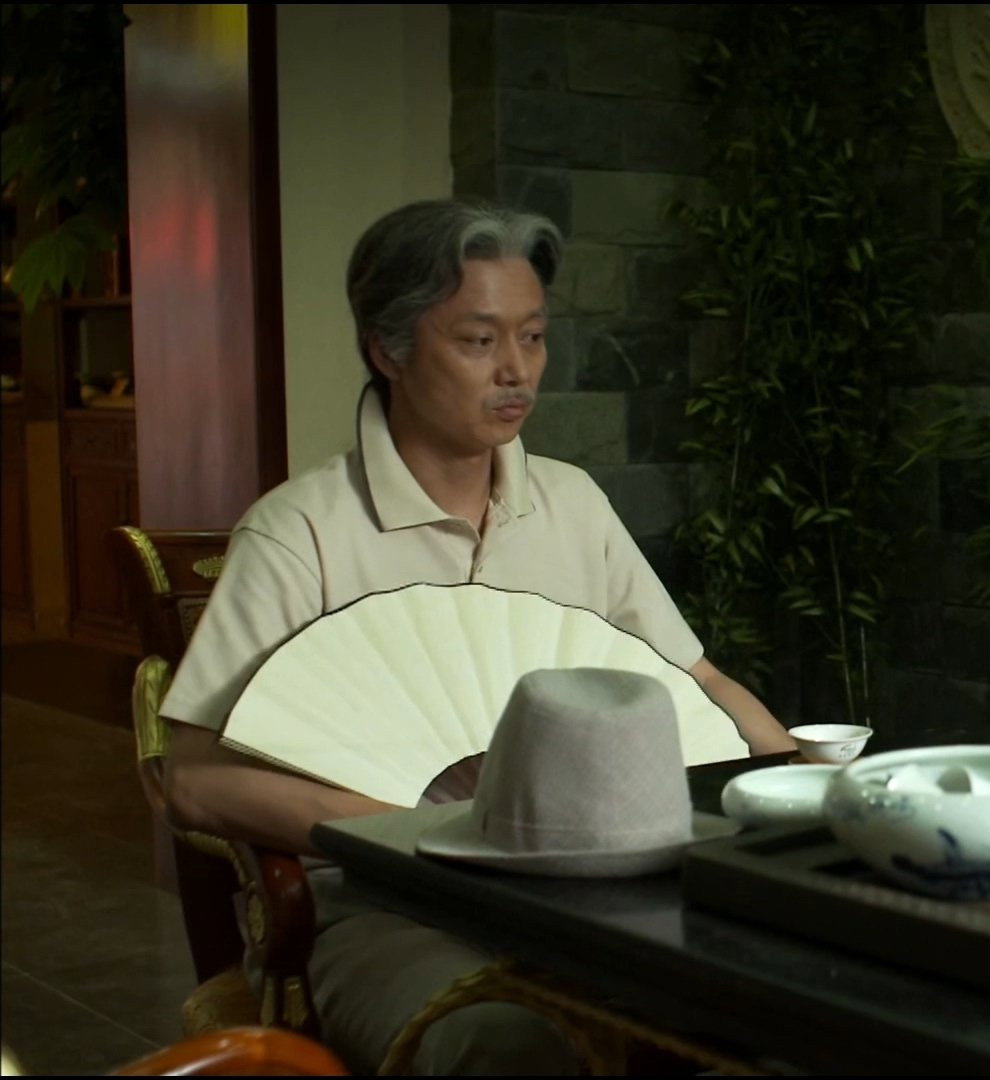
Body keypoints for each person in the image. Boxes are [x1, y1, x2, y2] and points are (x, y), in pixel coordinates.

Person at [159, 199, 795, 1074]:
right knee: (506, 1047)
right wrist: (431, 836)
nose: (516, 371)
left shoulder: (571, 503)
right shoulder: (300, 531)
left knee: (778, 1016)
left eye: (532, 337)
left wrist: (801, 791)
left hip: (597, 895)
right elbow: (194, 780)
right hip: (381, 909)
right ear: (387, 351)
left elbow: (699, 680)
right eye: (478, 340)